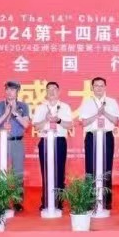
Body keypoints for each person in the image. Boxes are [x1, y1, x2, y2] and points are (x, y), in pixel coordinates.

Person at [77, 77, 119, 209]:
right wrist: (97, 115)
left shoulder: (112, 102)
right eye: (96, 86)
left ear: (105, 87)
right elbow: (84, 122)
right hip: (92, 136)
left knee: (107, 168)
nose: (99, 88)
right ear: (92, 88)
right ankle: (90, 200)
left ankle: (106, 201)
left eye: (101, 85)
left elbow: (116, 121)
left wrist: (104, 112)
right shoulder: (87, 102)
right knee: (90, 168)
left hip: (107, 136)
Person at [0, 80, 31, 209]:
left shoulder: (23, 106)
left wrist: (15, 113)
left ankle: (17, 201)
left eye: (12, 90)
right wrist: (5, 114)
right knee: (1, 171)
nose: (9, 92)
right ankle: (2, 200)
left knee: (18, 173)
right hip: (2, 141)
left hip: (17, 141)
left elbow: (26, 125)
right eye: (7, 89)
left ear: (17, 91)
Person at [33, 81, 73, 209]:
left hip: (59, 141)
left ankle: (58, 202)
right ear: (46, 92)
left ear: (58, 91)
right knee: (45, 171)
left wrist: (58, 120)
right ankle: (46, 201)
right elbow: (36, 126)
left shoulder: (65, 107)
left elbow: (70, 125)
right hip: (45, 141)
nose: (51, 91)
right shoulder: (41, 107)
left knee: (59, 171)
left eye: (54, 89)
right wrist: (46, 119)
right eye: (49, 89)